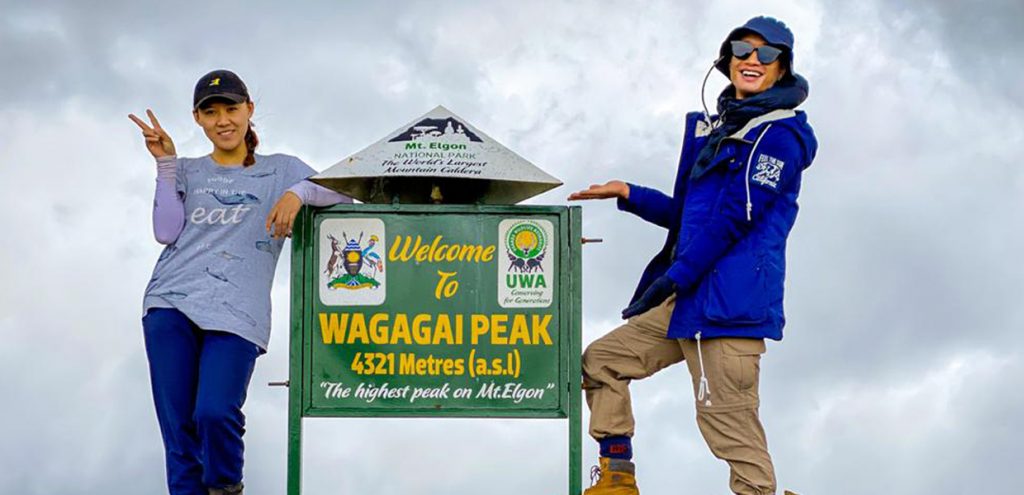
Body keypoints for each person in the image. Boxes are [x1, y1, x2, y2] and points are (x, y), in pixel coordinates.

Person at [568, 16, 818, 495]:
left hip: (727, 308)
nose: (752, 60)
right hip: (690, 300)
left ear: (782, 70)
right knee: (602, 361)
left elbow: (734, 219)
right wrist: (629, 192)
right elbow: (690, 219)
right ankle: (617, 478)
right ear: (726, 61)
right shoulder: (721, 129)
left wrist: (676, 276)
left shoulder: (779, 137)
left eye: (767, 55)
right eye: (743, 50)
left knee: (728, 427)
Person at [129, 69, 350, 495]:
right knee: (179, 430)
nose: (223, 120)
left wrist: (297, 194)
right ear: (198, 118)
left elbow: (344, 195)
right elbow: (165, 230)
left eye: (231, 108)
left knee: (214, 411)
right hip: (170, 303)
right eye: (211, 112)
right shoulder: (189, 171)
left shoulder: (281, 170)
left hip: (237, 313)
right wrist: (165, 165)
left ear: (249, 110)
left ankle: (226, 487)